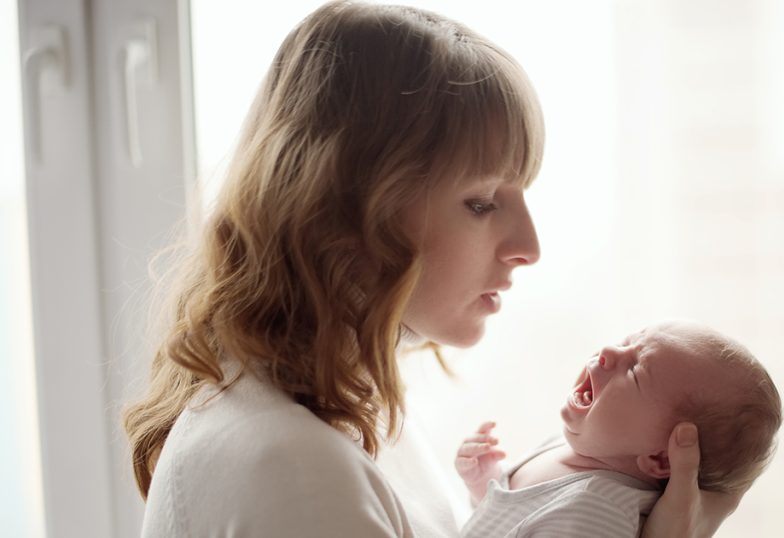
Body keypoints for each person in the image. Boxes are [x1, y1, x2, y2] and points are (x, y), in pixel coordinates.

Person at [122, 2, 745, 536]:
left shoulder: (352, 413)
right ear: (345, 210)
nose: (528, 245)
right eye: (481, 203)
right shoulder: (296, 470)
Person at [455, 321, 783, 537]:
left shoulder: (596, 510)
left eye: (636, 372)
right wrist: (487, 481)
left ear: (662, 459)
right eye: (629, 341)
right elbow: (515, 520)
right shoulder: (570, 449)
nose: (610, 352)